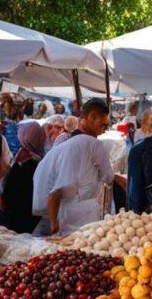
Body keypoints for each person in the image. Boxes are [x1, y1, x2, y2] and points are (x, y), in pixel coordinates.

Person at [31, 99, 114, 236]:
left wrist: (54, 223)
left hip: (61, 213)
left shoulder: (64, 142)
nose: (105, 130)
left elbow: (54, 193)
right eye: (103, 125)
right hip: (82, 216)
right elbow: (108, 177)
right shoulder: (94, 144)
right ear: (92, 117)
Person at [0, 121, 47, 234]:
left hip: (18, 222)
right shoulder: (41, 160)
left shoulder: (25, 162)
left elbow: (11, 196)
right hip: (32, 221)